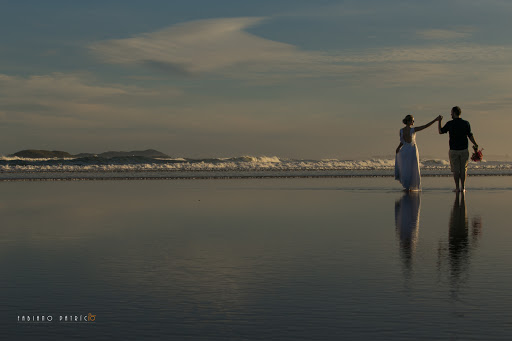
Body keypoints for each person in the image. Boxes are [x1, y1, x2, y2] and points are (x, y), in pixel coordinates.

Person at [395, 114, 442, 191]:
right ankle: (411, 185)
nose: (413, 121)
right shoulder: (412, 130)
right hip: (412, 150)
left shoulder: (401, 131)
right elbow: (425, 126)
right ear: (409, 121)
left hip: (405, 150)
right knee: (413, 168)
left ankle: (407, 186)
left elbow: (402, 142)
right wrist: (435, 120)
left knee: (406, 168)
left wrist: (398, 148)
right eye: (413, 120)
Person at [438, 106, 479, 192]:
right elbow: (470, 135)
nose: (451, 114)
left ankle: (457, 188)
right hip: (464, 149)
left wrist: (439, 121)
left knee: (456, 170)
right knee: (463, 169)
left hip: (453, 150)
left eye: (451, 113)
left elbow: (440, 131)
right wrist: (475, 144)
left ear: (454, 113)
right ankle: (463, 188)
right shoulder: (466, 123)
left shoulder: (450, 123)